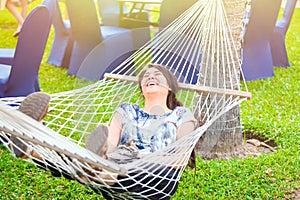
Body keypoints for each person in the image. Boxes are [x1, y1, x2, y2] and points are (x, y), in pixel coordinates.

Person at [11, 63, 197, 199]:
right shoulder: (126, 111)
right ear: (141, 88)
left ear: (170, 86)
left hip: (158, 176)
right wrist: (106, 157)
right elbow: (109, 144)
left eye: (157, 75)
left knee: (104, 165)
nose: (150, 77)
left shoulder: (181, 115)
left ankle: (96, 170)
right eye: (146, 76)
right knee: (89, 159)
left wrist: (138, 159)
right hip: (116, 163)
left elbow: (179, 159)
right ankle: (32, 145)